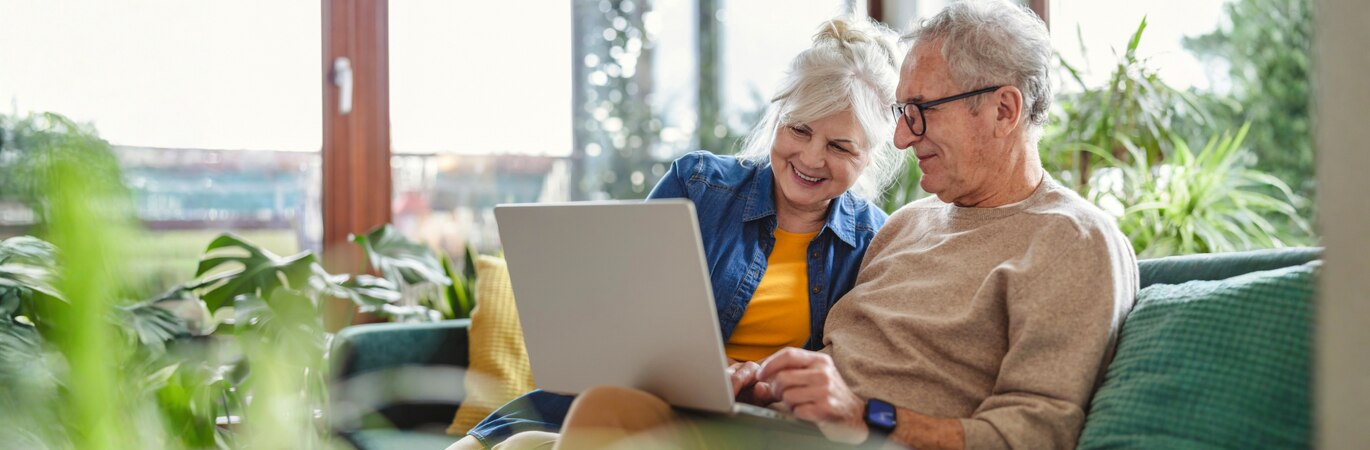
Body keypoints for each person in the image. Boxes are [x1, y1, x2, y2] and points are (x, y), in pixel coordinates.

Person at [545, 1, 1140, 449]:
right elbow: (834, 360)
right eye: (901, 114)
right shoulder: (907, 226)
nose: (903, 138)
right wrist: (771, 382)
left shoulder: (1073, 240)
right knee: (600, 413)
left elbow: (1036, 432)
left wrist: (865, 415)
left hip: (860, 440)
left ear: (1004, 110)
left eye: (919, 113)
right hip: (778, 428)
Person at [447, 16, 907, 450]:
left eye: (839, 146)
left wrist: (765, 385)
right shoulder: (699, 185)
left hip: (756, 429)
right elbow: (622, 320)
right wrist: (713, 372)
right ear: (777, 118)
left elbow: (853, 382)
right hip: (638, 403)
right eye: (799, 129)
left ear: (871, 156)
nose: (810, 157)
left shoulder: (874, 242)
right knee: (517, 441)